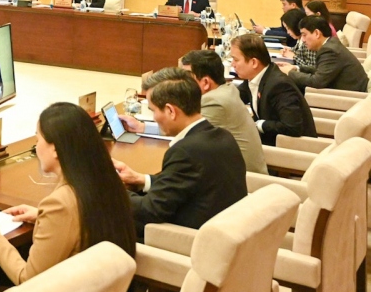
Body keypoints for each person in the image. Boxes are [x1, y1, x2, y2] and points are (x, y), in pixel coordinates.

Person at [0, 103, 136, 292]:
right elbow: (83, 219)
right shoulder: (105, 181)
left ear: (55, 149)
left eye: (38, 139)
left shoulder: (60, 204)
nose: (36, 147)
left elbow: (28, 279)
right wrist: (43, 217)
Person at [113, 70, 246, 240]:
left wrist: (111, 189)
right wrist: (142, 180)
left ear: (171, 111)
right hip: (223, 229)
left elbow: (150, 210)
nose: (154, 117)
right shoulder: (223, 136)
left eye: (153, 111)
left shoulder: (185, 152)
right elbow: (183, 183)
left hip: (186, 241)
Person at [123, 55, 268, 174]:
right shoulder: (227, 89)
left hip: (246, 179)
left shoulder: (214, 101)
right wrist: (142, 127)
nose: (180, 81)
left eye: (187, 76)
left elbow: (183, 130)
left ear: (205, 82)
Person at [232, 34, 316, 146]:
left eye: (236, 60)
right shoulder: (256, 76)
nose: (233, 64)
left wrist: (258, 124)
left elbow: (292, 127)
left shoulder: (279, 85)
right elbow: (233, 98)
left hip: (290, 149)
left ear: (254, 62)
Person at [280, 15, 369, 92]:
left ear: (317, 33)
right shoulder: (330, 43)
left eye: (304, 35)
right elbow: (321, 70)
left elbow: (317, 82)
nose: (302, 40)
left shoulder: (329, 50)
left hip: (349, 97)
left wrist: (290, 72)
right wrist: (296, 68)